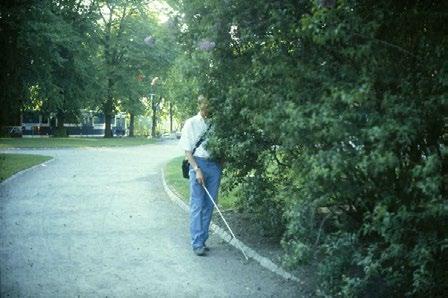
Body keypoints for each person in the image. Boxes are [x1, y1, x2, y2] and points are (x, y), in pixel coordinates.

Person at [178, 95, 222, 256]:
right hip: (198, 163)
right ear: (200, 105)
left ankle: (202, 240)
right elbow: (187, 150)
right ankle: (197, 243)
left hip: (215, 165)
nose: (208, 108)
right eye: (206, 104)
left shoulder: (215, 123)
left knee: (209, 205)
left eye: (210, 105)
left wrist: (221, 163)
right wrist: (196, 169)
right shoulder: (191, 123)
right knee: (197, 204)